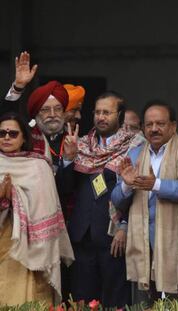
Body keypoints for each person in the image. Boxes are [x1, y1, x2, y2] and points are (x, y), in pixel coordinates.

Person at [111, 100, 178, 307]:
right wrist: (127, 185)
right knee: (142, 305)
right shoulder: (134, 154)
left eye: (160, 124)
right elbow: (117, 200)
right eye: (149, 124)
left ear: (173, 126)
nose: (154, 129)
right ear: (143, 128)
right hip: (141, 245)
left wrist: (157, 185)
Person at [65, 91, 135, 307]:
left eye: (107, 112)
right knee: (81, 301)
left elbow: (141, 195)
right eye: (97, 112)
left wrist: (124, 226)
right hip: (82, 236)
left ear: (120, 115)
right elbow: (65, 189)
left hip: (114, 237)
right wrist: (68, 159)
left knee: (114, 301)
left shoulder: (134, 146)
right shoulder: (81, 145)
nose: (101, 117)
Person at [0, 112, 74, 305]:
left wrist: (14, 197)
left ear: (24, 137)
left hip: (33, 250)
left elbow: (46, 208)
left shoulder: (39, 166)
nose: (6, 137)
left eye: (13, 133)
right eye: (2, 133)